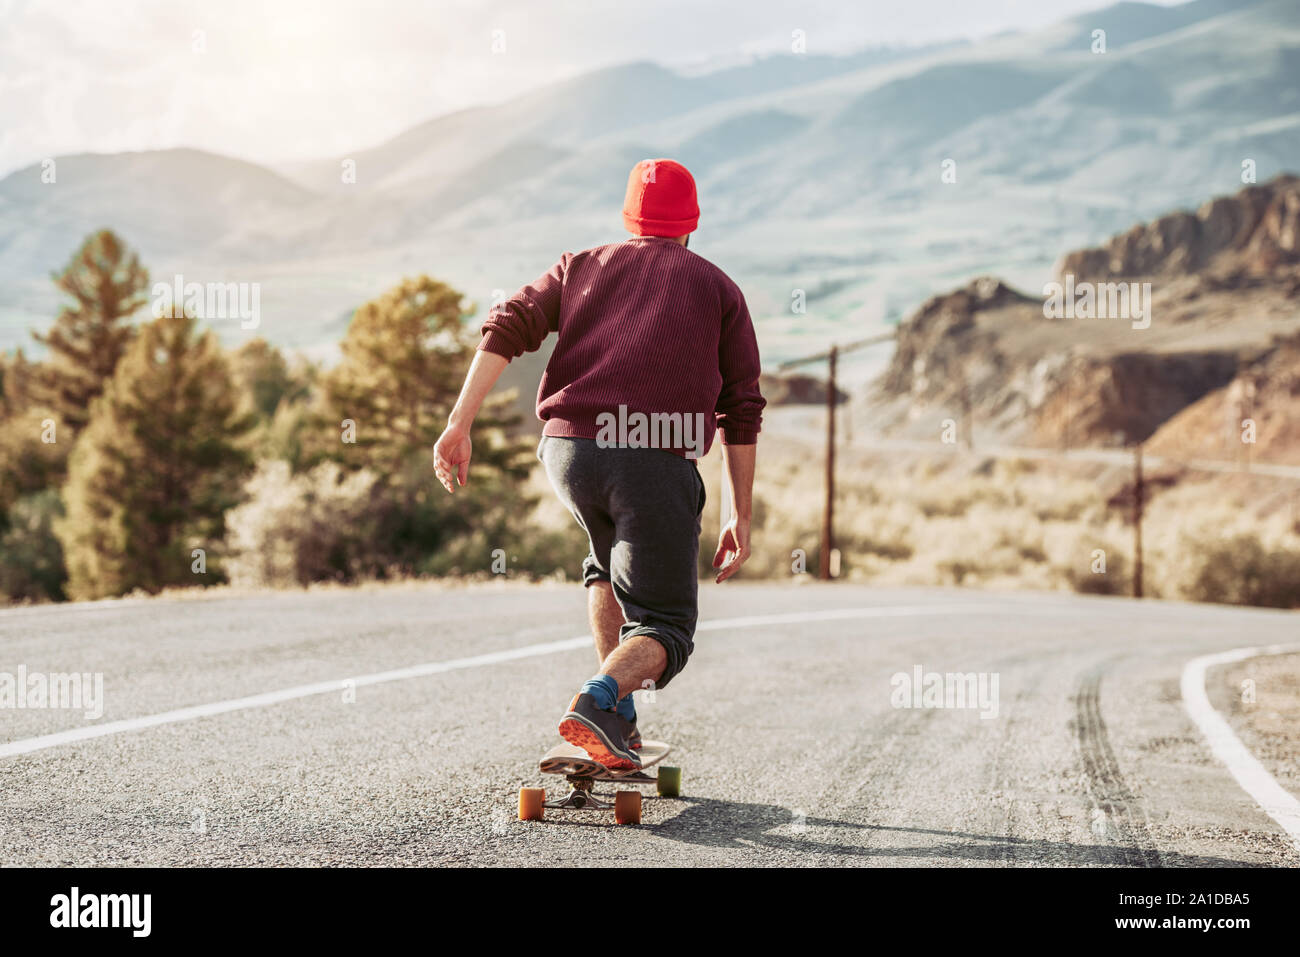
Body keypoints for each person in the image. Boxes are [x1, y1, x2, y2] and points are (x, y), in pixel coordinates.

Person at [434, 158, 764, 769]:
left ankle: (621, 721)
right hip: (652, 458)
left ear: (627, 217)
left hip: (569, 453)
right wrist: (738, 514)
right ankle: (599, 699)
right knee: (666, 625)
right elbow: (740, 410)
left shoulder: (581, 265)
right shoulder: (718, 289)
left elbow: (506, 325)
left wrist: (459, 423)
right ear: (692, 224)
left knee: (606, 563)